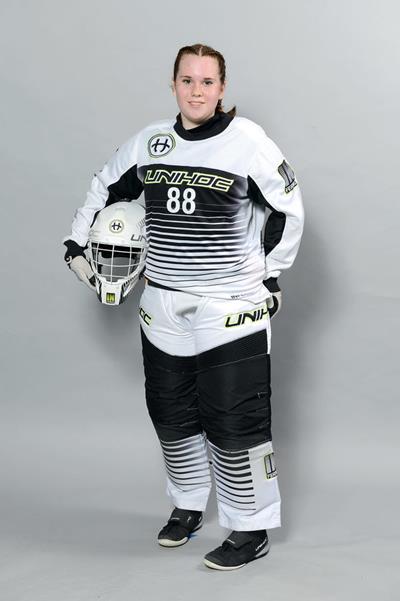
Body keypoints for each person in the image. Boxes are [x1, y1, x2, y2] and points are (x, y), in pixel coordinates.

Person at [64, 43, 304, 571]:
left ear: (222, 89)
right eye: (187, 80)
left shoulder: (248, 142)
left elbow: (288, 208)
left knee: (235, 417)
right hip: (162, 301)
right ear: (172, 84)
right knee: (171, 413)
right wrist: (76, 243)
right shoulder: (150, 142)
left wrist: (271, 274)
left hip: (230, 302)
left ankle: (251, 527)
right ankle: (188, 505)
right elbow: (104, 186)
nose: (197, 91)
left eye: (207, 82)